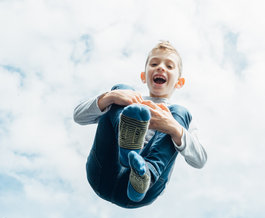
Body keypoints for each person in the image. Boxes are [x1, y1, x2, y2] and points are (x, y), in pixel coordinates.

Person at [74, 41, 207, 208]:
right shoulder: (129, 97)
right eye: (154, 63)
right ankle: (126, 149)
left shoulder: (178, 116)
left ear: (179, 82)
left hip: (143, 190)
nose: (160, 68)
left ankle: (145, 172)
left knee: (181, 112)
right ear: (144, 76)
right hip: (104, 171)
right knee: (122, 89)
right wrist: (110, 97)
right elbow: (78, 116)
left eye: (169, 66)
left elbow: (200, 160)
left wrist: (173, 128)